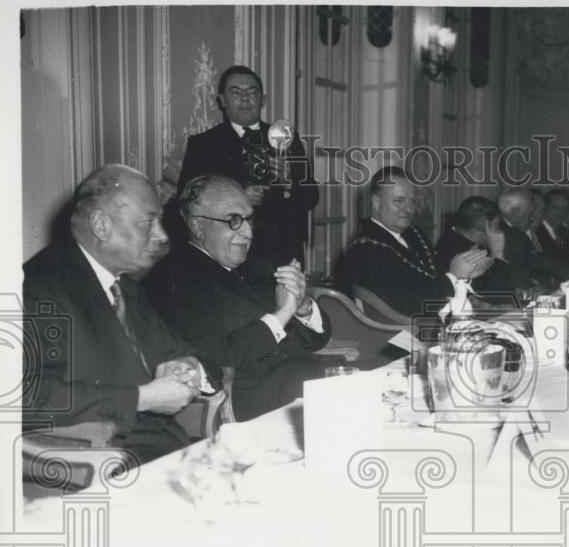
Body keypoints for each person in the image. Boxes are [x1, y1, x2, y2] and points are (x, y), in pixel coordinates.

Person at [23, 164, 219, 462]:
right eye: (147, 223)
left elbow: (185, 352)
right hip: (107, 463)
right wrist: (142, 398)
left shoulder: (126, 287)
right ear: (101, 226)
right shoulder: (40, 286)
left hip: (166, 451)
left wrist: (189, 366)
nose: (162, 235)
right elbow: (29, 396)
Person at [146, 175, 337, 421]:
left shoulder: (253, 265)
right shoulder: (176, 277)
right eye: (234, 221)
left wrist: (301, 307)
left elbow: (317, 340)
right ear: (197, 226)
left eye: (248, 219)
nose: (248, 233)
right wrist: (281, 315)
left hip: (300, 388)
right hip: (249, 407)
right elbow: (214, 358)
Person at [178, 65, 318, 266]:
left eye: (252, 92)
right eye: (236, 92)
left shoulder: (287, 138)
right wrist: (238, 198)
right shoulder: (203, 144)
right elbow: (187, 203)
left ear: (263, 100)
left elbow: (311, 197)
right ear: (222, 100)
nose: (245, 99)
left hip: (280, 255)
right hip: (226, 255)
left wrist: (290, 184)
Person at [339, 166, 492, 317]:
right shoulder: (365, 250)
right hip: (399, 336)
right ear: (377, 203)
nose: (408, 209)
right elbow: (409, 305)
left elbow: (432, 278)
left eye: (412, 201)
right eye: (398, 201)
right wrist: (453, 276)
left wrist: (464, 274)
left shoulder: (414, 233)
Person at [434, 196, 527, 301]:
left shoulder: (452, 239)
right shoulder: (463, 253)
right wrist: (497, 254)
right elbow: (502, 298)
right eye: (496, 228)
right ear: (478, 233)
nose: (500, 233)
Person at [498, 188, 569, 290]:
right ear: (515, 211)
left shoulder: (517, 233)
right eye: (530, 212)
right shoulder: (502, 233)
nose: (533, 217)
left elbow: (540, 261)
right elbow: (532, 265)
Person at [539, 188, 569, 267]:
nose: (561, 213)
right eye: (556, 208)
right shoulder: (537, 232)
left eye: (565, 208)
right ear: (545, 207)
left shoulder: (566, 233)